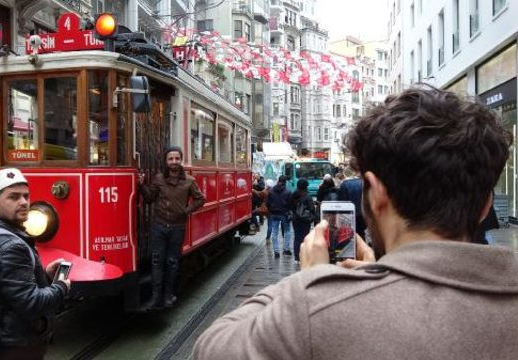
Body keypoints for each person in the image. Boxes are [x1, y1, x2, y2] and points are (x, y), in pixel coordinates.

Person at [192, 87, 518, 359]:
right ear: (484, 205)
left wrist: (314, 282)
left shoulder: (317, 309)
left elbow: (209, 348)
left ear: (376, 195)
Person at [0, 168, 70, 359]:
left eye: (26, 196)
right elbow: (31, 303)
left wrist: (43, 275)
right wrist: (61, 287)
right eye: (13, 197)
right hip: (16, 345)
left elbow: (9, 290)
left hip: (5, 340)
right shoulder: (11, 246)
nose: (24, 202)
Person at [139, 146, 205, 310]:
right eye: (171, 159)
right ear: (166, 161)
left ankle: (168, 296)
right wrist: (141, 186)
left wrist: (186, 211)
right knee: (156, 262)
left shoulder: (189, 181)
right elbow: (149, 198)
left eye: (176, 158)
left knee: (172, 262)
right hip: (159, 227)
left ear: (180, 160)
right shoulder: (159, 178)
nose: (174, 162)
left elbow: (200, 199)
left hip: (177, 228)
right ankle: (156, 298)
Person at [290, 178, 315, 264]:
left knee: (297, 237)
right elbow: (312, 208)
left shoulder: (294, 194)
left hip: (295, 219)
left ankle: (297, 258)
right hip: (305, 220)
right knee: (305, 238)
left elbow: (290, 207)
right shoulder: (307, 196)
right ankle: (304, 256)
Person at [267, 175, 292, 258]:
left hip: (274, 214)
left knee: (274, 232)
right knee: (287, 231)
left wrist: (271, 209)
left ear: (278, 181)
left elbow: (267, 203)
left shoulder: (271, 191)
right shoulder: (288, 191)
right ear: (285, 182)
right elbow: (290, 204)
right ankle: (286, 249)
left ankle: (276, 251)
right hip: (284, 214)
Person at [338, 166, 366, 240]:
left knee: (349, 235)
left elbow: (342, 201)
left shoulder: (344, 184)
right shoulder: (362, 182)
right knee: (361, 233)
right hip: (361, 213)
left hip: (348, 214)